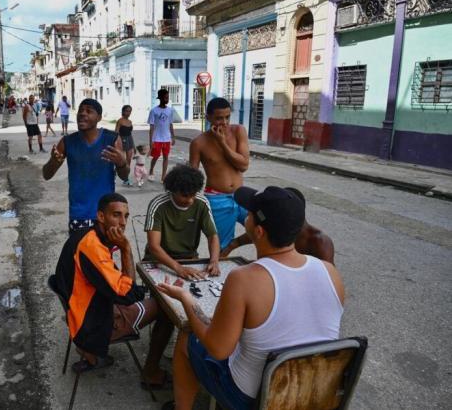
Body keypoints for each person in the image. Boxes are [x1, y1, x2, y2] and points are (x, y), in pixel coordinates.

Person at [158, 186, 345, 410]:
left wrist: (187, 299)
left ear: (258, 231)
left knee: (187, 338)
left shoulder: (244, 279)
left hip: (257, 399)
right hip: (316, 393)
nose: (245, 218)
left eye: (248, 214)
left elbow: (218, 349)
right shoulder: (330, 272)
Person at [55, 193, 174, 388]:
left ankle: (92, 355)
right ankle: (151, 372)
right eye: (116, 215)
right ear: (101, 216)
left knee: (153, 295)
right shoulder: (92, 247)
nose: (123, 222)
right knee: (166, 306)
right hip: (89, 324)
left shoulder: (85, 234)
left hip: (79, 308)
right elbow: (129, 296)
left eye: (126, 216)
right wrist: (126, 248)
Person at [43, 98, 130, 234]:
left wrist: (122, 163)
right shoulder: (67, 142)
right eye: (81, 111)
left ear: (99, 118)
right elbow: (46, 175)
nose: (83, 114)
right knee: (80, 254)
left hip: (106, 214)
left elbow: (124, 175)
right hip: (79, 215)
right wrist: (54, 162)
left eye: (89, 111)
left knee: (105, 255)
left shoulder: (111, 139)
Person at [190, 97, 250, 252]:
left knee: (267, 228)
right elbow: (192, 176)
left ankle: (234, 244)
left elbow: (243, 165)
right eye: (219, 118)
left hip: (241, 195)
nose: (224, 122)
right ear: (208, 117)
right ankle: (221, 271)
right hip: (217, 199)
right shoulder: (199, 143)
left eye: (227, 117)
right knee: (220, 248)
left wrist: (223, 143)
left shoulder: (238, 131)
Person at [144, 164, 220, 280]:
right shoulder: (158, 205)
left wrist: (214, 261)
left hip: (189, 258)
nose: (190, 200)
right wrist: (178, 268)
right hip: (159, 259)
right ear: (173, 190)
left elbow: (212, 236)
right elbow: (154, 246)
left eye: (193, 195)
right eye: (184, 196)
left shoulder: (202, 203)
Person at [221, 187, 335, 264]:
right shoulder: (277, 229)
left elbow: (326, 279)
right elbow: (237, 242)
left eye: (250, 215)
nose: (247, 217)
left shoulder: (320, 242)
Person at [148, 89, 176, 182]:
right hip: (157, 139)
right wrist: (151, 141)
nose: (167, 99)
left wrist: (173, 136)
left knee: (166, 157)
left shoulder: (170, 110)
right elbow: (151, 127)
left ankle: (163, 176)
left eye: (168, 97)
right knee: (155, 156)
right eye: (166, 97)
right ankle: (151, 170)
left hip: (166, 138)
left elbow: (171, 124)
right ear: (160, 98)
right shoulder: (154, 111)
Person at [115, 105, 135, 185]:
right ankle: (115, 175)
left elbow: (130, 134)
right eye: (127, 111)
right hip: (121, 140)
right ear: (123, 111)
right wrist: (117, 142)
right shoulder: (120, 121)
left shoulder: (130, 122)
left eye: (130, 111)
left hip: (129, 140)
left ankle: (126, 179)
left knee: (129, 160)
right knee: (121, 160)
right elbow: (116, 132)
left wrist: (133, 145)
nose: (128, 113)